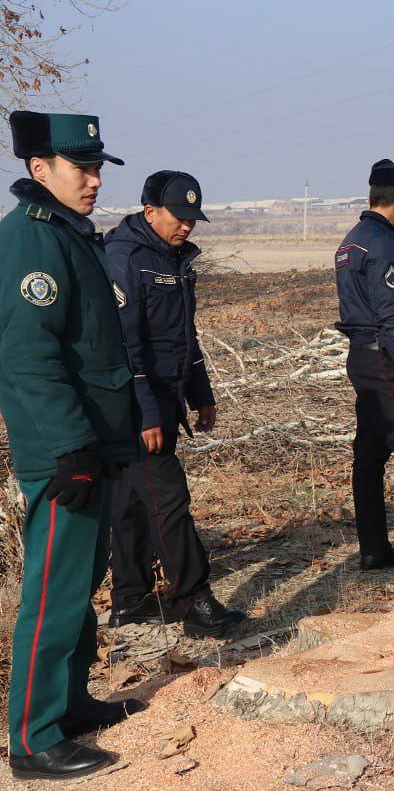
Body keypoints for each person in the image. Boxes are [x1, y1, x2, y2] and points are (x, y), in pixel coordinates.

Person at [0, 111, 141, 781]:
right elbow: (28, 355)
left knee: (81, 582)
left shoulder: (68, 234)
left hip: (91, 440)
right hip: (65, 451)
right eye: (80, 167)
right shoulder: (33, 242)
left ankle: (70, 702)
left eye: (96, 167)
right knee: (54, 591)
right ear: (39, 169)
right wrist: (70, 446)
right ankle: (33, 737)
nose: (92, 180)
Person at [103, 171, 246, 639]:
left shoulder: (175, 258)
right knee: (169, 497)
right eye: (178, 216)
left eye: (193, 218)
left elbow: (184, 334)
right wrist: (146, 413)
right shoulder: (126, 258)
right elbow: (127, 345)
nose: (187, 226)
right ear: (150, 211)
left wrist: (200, 394)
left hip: (165, 394)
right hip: (134, 402)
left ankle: (130, 600)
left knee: (131, 501)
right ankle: (195, 601)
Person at [334, 159, 394, 578]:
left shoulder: (351, 240)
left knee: (370, 455)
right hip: (384, 359)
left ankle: (374, 548)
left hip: (361, 357)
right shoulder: (384, 244)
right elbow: (391, 313)